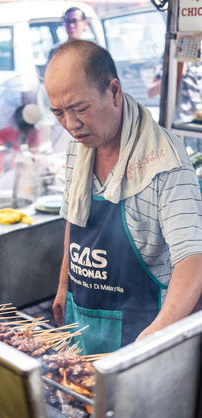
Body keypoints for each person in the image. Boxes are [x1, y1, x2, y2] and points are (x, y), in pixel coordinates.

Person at [45, 40, 202, 355]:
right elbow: (74, 218)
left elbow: (194, 259)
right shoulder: (80, 144)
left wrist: (156, 336)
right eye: (59, 113)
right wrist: (64, 285)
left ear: (114, 91)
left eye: (80, 108)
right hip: (83, 313)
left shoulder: (164, 160)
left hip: (142, 326)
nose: (71, 125)